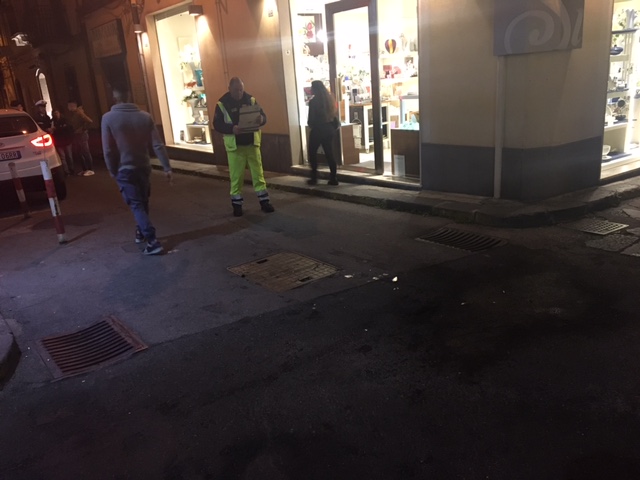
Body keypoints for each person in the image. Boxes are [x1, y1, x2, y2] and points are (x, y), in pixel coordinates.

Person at [101, 85, 172, 256]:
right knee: (143, 201)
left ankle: (152, 240)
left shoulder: (108, 118)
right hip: (143, 166)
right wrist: (166, 167)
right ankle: (141, 231)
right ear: (129, 96)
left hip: (124, 168)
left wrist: (112, 169)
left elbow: (108, 150)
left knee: (136, 204)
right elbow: (157, 144)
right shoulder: (145, 117)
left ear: (114, 98)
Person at [213, 77, 274, 217]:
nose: (239, 93)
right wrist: (231, 129)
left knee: (258, 175)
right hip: (235, 147)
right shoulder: (222, 103)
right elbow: (217, 124)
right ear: (229, 89)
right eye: (236, 90)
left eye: (241, 90)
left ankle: (264, 202)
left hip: (252, 144)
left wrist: (261, 119)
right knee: (236, 177)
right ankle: (237, 205)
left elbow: (263, 116)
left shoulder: (250, 99)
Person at [307, 80, 339, 186]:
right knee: (329, 153)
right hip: (329, 129)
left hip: (318, 129)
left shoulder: (314, 101)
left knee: (312, 153)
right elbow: (334, 115)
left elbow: (311, 119)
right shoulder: (330, 99)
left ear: (315, 89)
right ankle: (333, 177)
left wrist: (312, 125)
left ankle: (314, 177)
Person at [67, 99, 95, 176]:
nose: (68, 107)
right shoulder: (73, 114)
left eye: (69, 106)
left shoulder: (79, 112)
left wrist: (83, 129)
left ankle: (90, 169)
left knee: (85, 152)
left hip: (82, 135)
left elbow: (89, 121)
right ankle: (84, 169)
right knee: (79, 153)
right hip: (77, 135)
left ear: (73, 106)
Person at [52, 109, 75, 175]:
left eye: (57, 113)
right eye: (55, 113)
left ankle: (71, 169)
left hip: (66, 140)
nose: (56, 114)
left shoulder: (65, 120)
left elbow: (67, 129)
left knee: (69, 156)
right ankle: (67, 171)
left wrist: (57, 129)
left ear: (59, 113)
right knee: (63, 157)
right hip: (59, 142)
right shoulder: (52, 122)